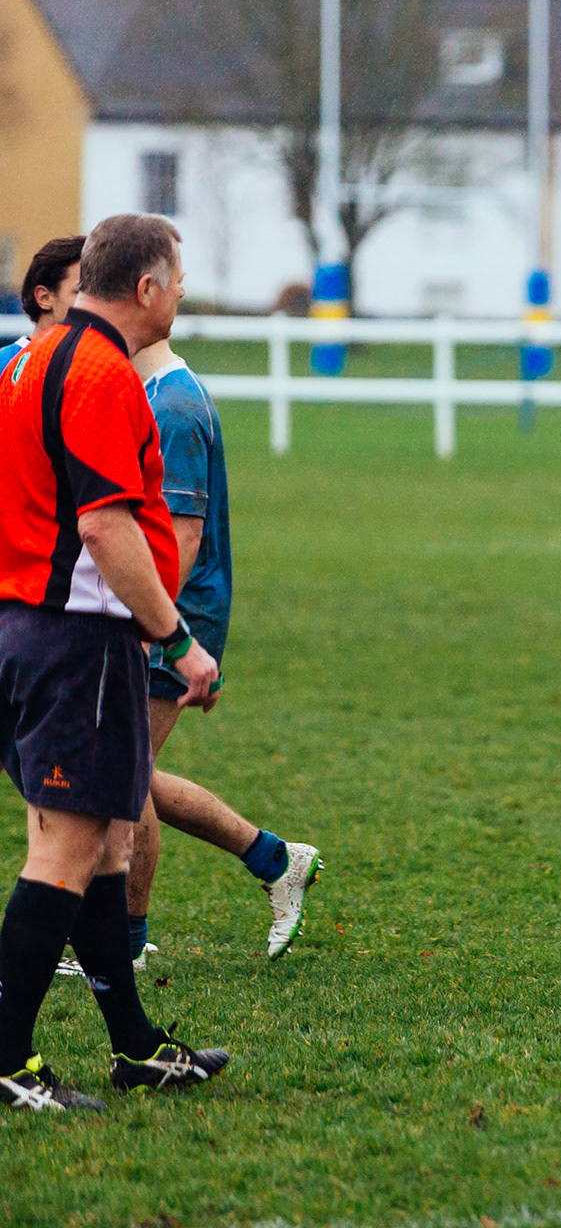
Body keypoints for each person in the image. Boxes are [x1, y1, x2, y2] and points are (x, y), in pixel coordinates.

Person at [0, 214, 230, 1111]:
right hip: (77, 640)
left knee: (102, 847)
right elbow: (104, 525)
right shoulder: (100, 373)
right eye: (178, 280)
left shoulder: (34, 359)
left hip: (38, 629)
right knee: (66, 849)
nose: (182, 296)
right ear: (146, 288)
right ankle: (9, 1063)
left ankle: (134, 1046)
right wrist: (177, 638)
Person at [122, 338, 321, 961]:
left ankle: (123, 945)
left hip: (171, 616)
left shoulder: (174, 406)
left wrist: (156, 629)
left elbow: (180, 541)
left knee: (125, 778)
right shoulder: (150, 393)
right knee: (127, 774)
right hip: (160, 613)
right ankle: (274, 859)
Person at [0, 235, 85, 375]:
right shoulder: (4, 364)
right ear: (44, 297)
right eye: (81, 292)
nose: (92, 303)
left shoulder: (100, 365)